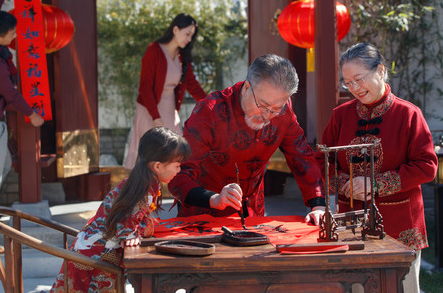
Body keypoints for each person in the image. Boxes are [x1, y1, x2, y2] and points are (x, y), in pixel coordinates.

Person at [316, 43, 438, 293]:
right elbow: (321, 161)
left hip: (400, 224)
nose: (355, 88)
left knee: (401, 287)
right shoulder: (340, 116)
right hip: (351, 221)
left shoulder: (408, 114)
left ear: (380, 70)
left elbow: (426, 166)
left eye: (359, 79)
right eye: (348, 83)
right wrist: (346, 185)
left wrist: (375, 184)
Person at [168, 53, 325, 225]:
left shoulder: (284, 112)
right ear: (246, 88)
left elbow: (301, 155)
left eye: (275, 109)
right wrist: (214, 199)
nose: (267, 116)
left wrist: (318, 204)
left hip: (252, 214)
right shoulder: (209, 112)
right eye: (263, 105)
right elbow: (179, 173)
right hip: (203, 214)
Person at [50, 127, 191, 292]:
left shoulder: (141, 181)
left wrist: (141, 229)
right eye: (177, 165)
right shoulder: (145, 186)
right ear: (158, 166)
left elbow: (135, 219)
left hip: (92, 251)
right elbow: (126, 226)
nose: (179, 170)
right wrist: (133, 234)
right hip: (97, 257)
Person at [124, 13, 207, 170]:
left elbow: (192, 84)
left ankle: (171, 190)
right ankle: (145, 192)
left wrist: (211, 103)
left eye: (192, 35)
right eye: (187, 34)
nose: (189, 39)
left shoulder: (182, 56)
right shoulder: (154, 51)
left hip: (170, 108)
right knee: (149, 155)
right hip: (149, 109)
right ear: (175, 29)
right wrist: (155, 117)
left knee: (176, 151)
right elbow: (145, 87)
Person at [0, 10, 44, 254]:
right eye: (12, 32)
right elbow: (10, 94)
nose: (15, 35)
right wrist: (31, 114)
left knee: (2, 169)